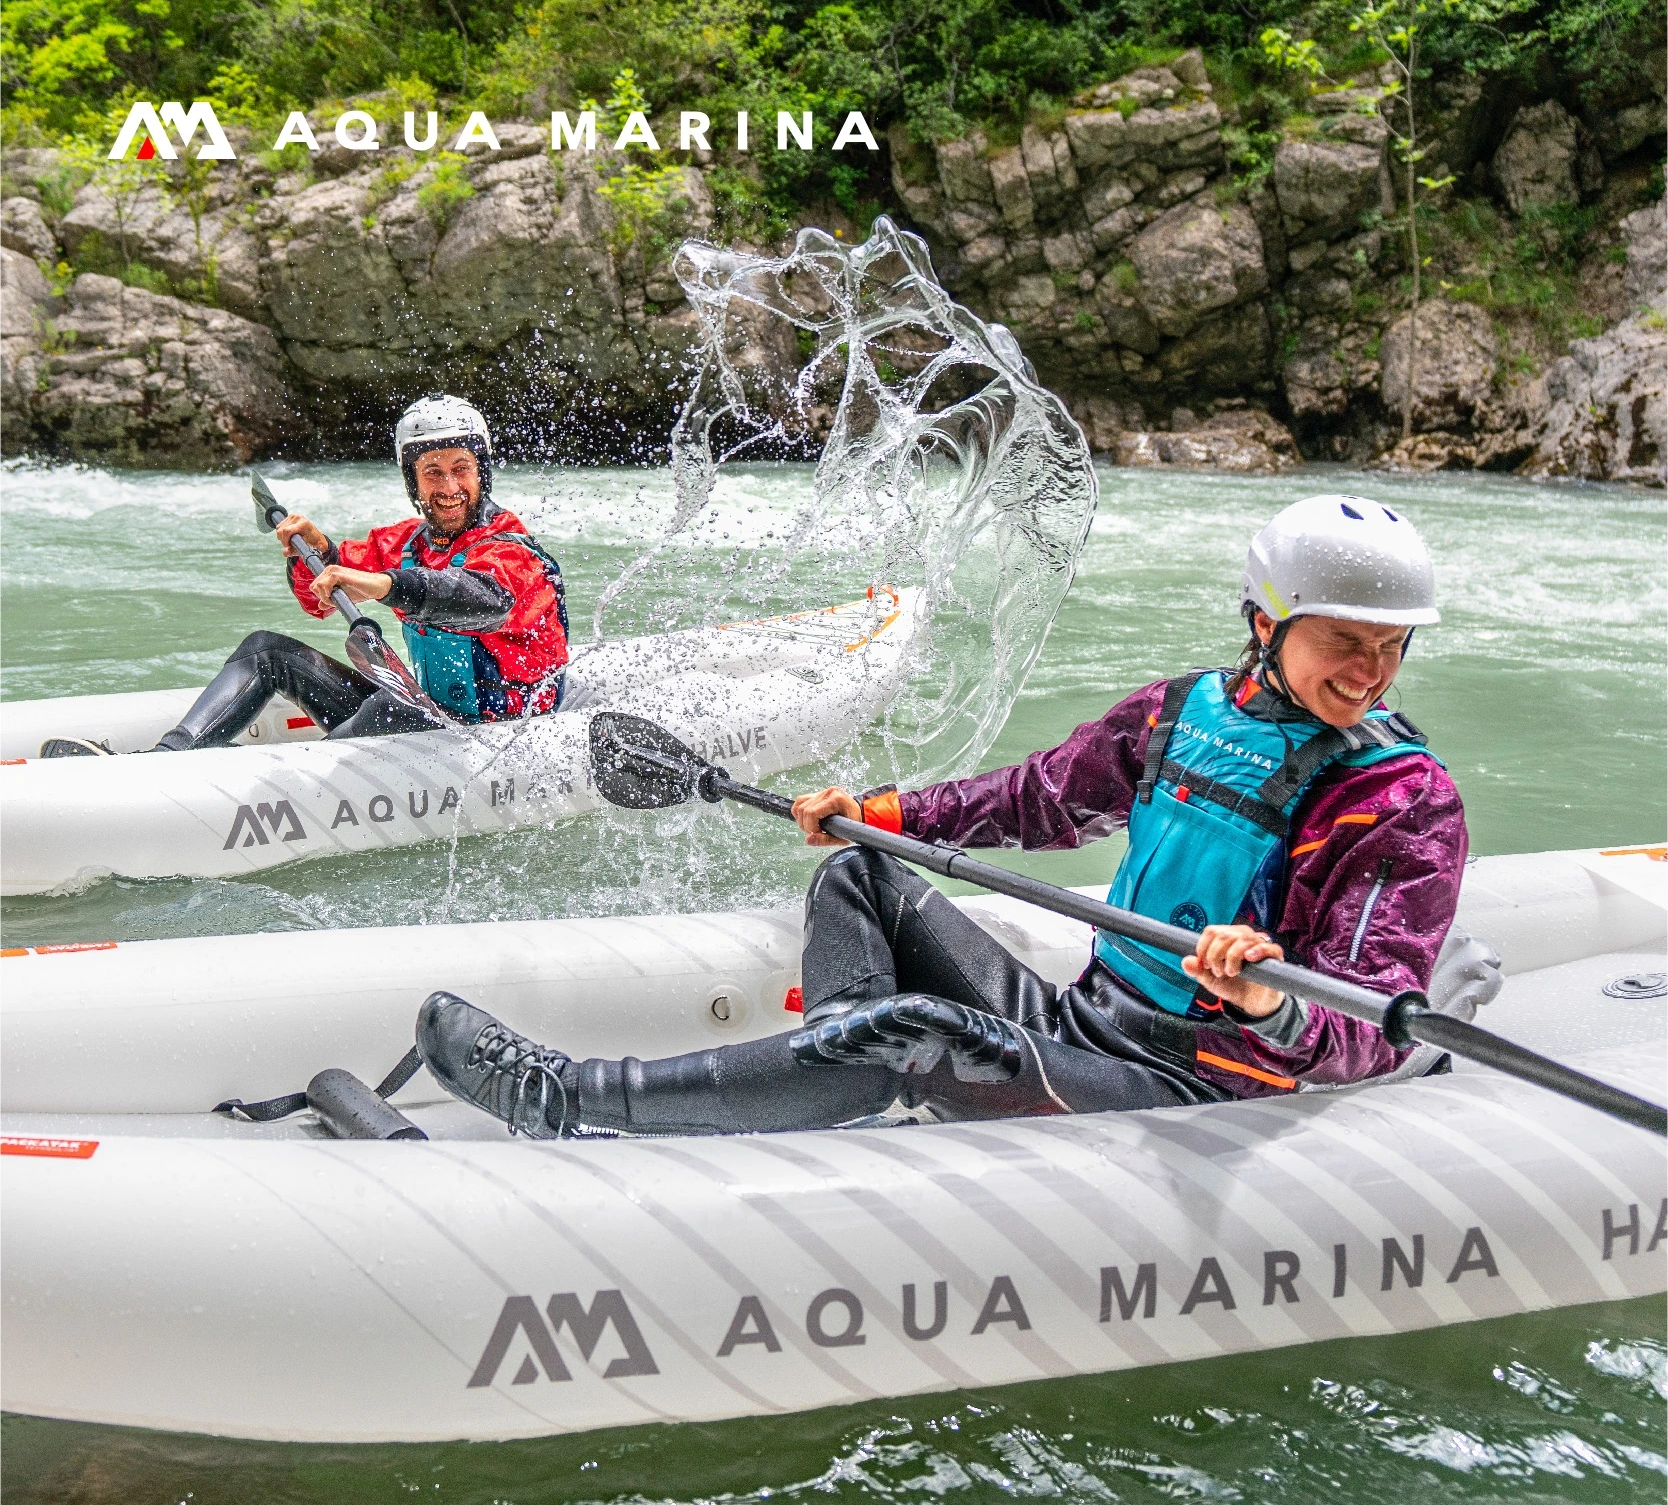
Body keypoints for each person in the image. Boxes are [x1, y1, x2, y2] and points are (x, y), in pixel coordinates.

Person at [413, 493, 1474, 1137]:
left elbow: (1367, 1017)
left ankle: (572, 1097)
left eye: (1393, 646)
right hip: (1088, 1018)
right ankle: (839, 1078)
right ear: (1267, 620)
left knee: (911, 1025)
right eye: (1346, 640)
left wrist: (1264, 999)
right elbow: (1035, 799)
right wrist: (875, 811)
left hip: (1202, 1077)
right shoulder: (1182, 708)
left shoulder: (1403, 800)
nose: (1371, 671)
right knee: (862, 873)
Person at [40, 395, 569, 756]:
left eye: (461, 468)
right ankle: (169, 759)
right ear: (414, 481)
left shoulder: (512, 551)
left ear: (483, 472)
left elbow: (482, 600)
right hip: (431, 717)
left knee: (387, 708)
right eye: (432, 472)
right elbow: (317, 600)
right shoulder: (404, 542)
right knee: (266, 651)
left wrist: (386, 586)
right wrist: (311, 553)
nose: (448, 485)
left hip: (499, 738)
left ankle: (282, 784)